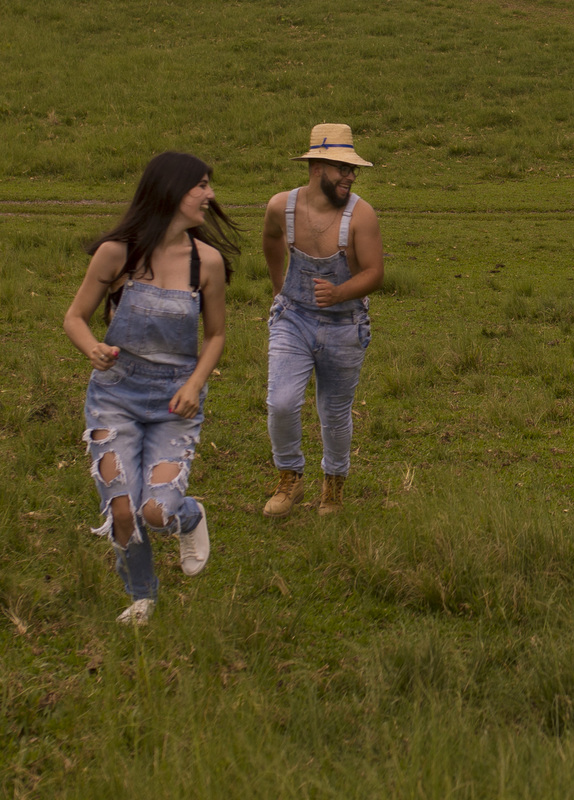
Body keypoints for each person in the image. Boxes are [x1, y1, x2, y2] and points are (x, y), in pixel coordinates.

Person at [64, 151, 240, 626]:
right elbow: (75, 318)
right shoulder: (117, 253)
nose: (210, 195)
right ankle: (142, 596)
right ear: (169, 191)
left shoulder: (207, 263)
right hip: (114, 396)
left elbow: (217, 334)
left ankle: (190, 516)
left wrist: (195, 384)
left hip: (173, 403)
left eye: (209, 185)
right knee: (122, 508)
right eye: (200, 185)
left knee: (155, 511)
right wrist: (93, 349)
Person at [261, 123, 384, 517]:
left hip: (345, 324)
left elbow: (375, 273)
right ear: (317, 168)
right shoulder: (282, 206)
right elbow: (270, 238)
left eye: (352, 170)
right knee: (280, 403)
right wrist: (280, 286)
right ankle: (290, 479)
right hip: (293, 318)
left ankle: (333, 487)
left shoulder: (361, 215)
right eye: (341, 169)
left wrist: (340, 293)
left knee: (333, 411)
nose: (349, 176)